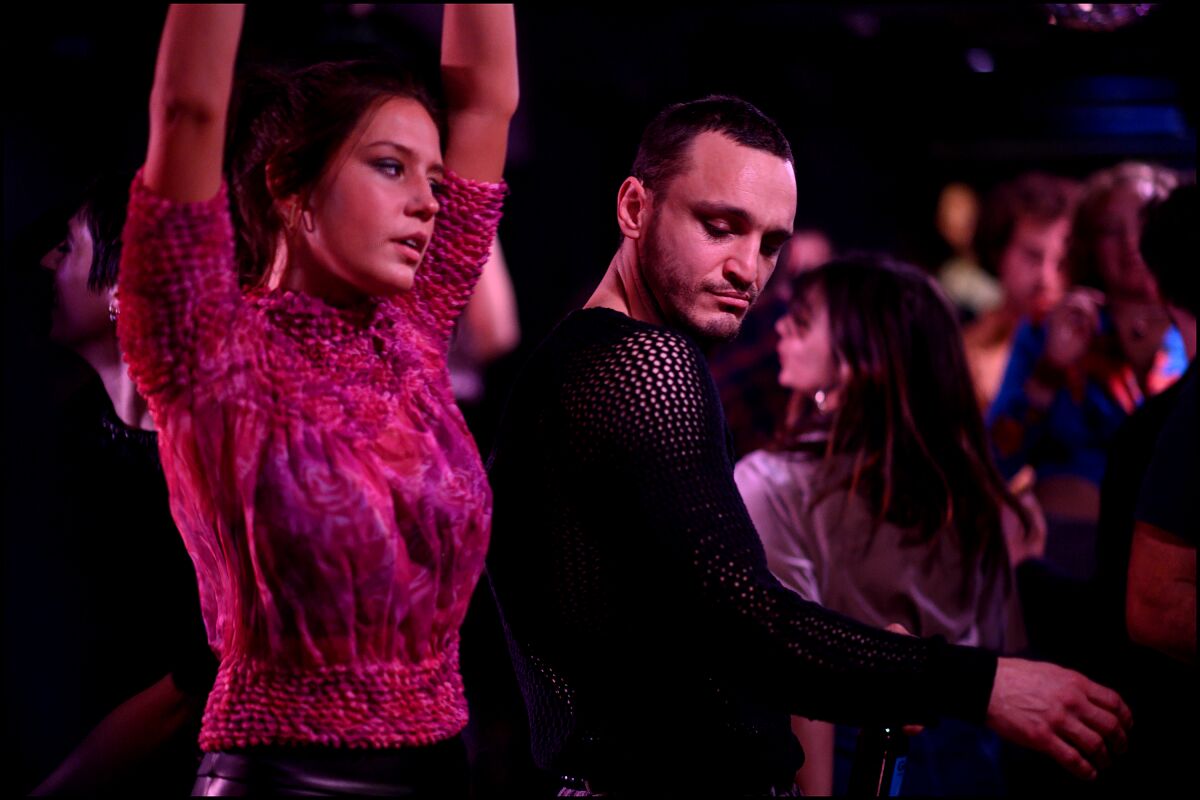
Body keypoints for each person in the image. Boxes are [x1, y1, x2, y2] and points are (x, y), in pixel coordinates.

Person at [485, 95, 1130, 798]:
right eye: (720, 227)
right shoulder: (646, 361)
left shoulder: (579, 361)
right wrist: (983, 682)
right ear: (635, 208)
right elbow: (744, 619)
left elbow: (703, 624)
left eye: (769, 243)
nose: (748, 270)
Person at [116, 5, 516, 795]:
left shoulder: (413, 331)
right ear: (289, 188)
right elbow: (188, 108)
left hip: (446, 772)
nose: (432, 203)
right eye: (391, 166)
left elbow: (485, 101)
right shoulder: (209, 349)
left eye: (436, 178)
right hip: (283, 777)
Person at [735, 256, 1027, 796]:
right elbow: (1008, 652)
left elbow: (799, 677)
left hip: (859, 769)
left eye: (799, 321)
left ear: (854, 359)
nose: (777, 327)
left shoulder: (774, 484)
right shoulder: (974, 484)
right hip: (972, 765)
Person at [24, 174, 215, 795]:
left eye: (68, 246)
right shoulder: (67, 434)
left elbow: (192, 681)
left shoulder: (208, 457)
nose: (46, 260)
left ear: (123, 283)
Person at [987, 163, 1184, 535]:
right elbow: (995, 461)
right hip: (1068, 543)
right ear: (1086, 242)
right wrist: (1049, 371)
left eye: (1146, 220)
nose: (1131, 243)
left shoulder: (1191, 326)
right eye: (1111, 230)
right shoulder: (1047, 326)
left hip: (1171, 552)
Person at [963, 172, 1079, 409]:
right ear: (998, 252)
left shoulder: (1090, 351)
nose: (1045, 277)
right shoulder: (963, 350)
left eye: (1061, 262)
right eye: (1032, 256)